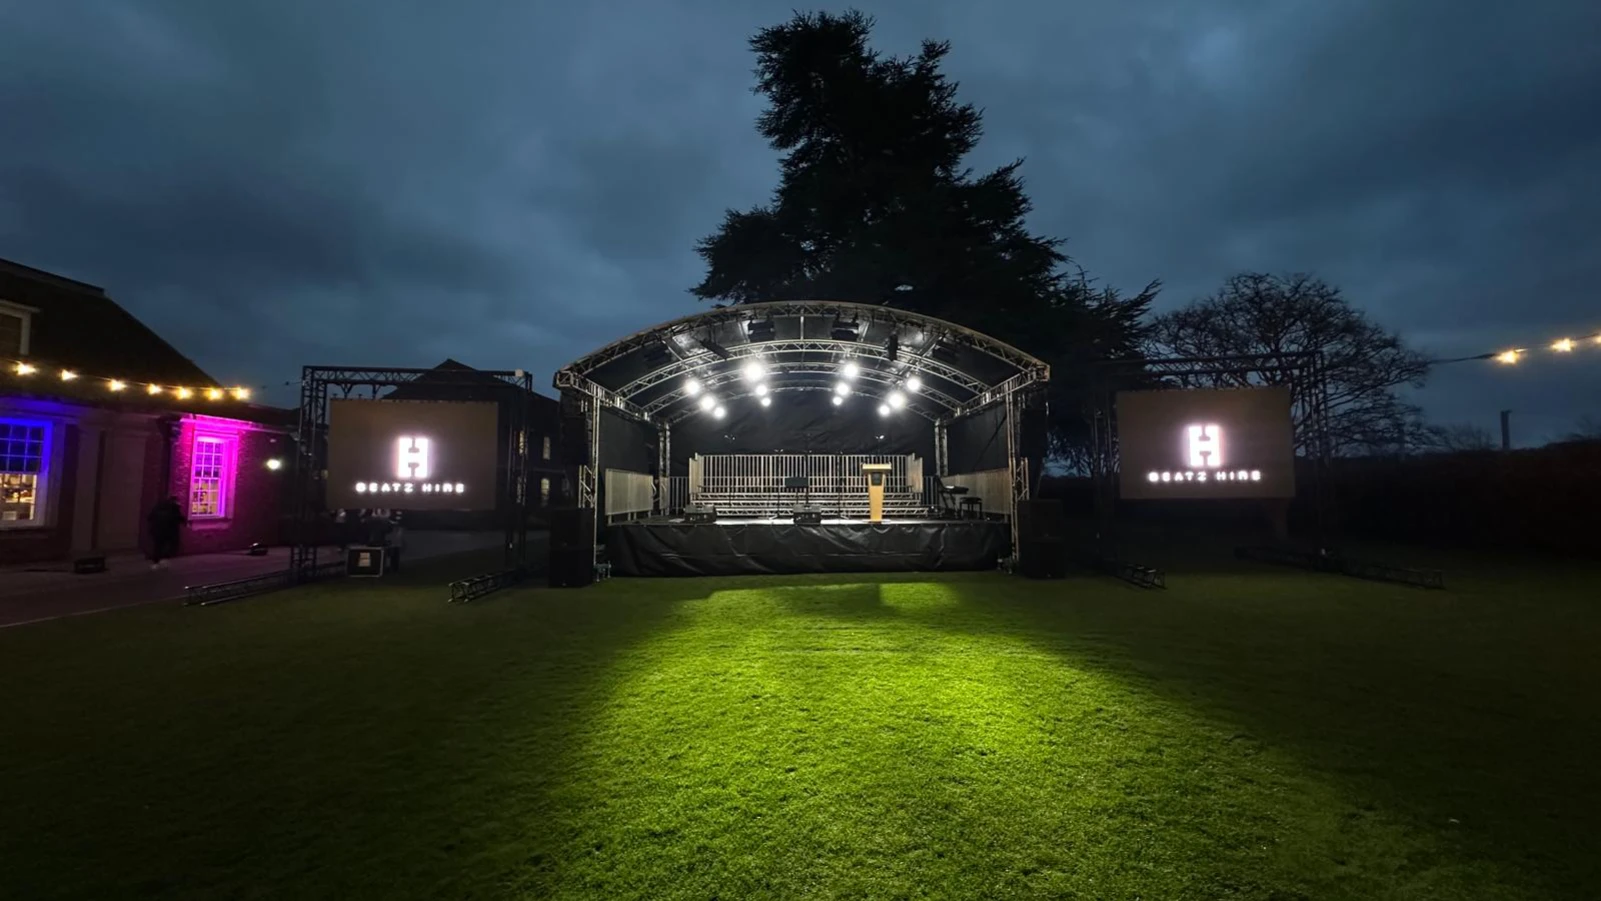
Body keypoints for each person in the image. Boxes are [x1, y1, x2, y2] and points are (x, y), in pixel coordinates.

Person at [147, 495, 185, 569]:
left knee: (158, 546)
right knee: (171, 545)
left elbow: (150, 517)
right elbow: (179, 518)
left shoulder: (158, 507)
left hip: (157, 531)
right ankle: (164, 560)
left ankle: (156, 563)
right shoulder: (174, 508)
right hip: (169, 531)